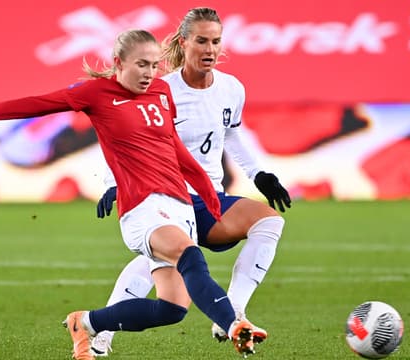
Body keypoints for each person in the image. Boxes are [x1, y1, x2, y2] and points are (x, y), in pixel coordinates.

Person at [0, 29, 257, 360]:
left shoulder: (162, 92)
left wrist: (208, 191)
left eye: (154, 65)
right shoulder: (96, 93)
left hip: (178, 204)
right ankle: (234, 325)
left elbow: (175, 150)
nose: (149, 73)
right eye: (141, 65)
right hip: (142, 207)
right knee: (189, 255)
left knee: (172, 309)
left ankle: (86, 323)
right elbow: (36, 105)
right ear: (118, 63)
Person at [90, 7, 291, 357]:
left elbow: (233, 136)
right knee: (159, 265)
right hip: (164, 199)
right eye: (201, 41)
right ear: (184, 43)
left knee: (269, 222)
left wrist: (260, 175)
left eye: (215, 41)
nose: (209, 49)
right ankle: (101, 332)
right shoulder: (159, 91)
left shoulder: (231, 89)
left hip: (210, 197)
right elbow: (122, 138)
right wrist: (113, 183)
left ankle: (234, 313)